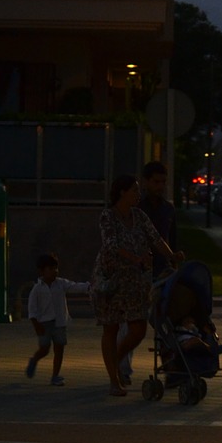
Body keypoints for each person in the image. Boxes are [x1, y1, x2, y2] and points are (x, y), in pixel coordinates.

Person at [92, 173, 183, 396]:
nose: (137, 194)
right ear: (122, 192)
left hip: (136, 281)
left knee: (138, 329)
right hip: (112, 279)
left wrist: (171, 256)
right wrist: (137, 259)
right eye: (134, 190)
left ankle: (117, 359)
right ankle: (114, 380)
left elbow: (156, 238)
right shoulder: (108, 216)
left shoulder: (139, 216)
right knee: (111, 328)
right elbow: (112, 245)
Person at [118, 160, 178, 385]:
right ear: (145, 182)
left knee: (164, 321)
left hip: (162, 271)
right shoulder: (135, 208)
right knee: (131, 323)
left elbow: (170, 239)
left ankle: (171, 367)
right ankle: (122, 368)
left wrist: (174, 263)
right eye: (156, 181)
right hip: (136, 271)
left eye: (163, 182)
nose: (160, 186)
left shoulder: (167, 209)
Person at [25, 253, 89, 386]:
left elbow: (74, 286)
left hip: (60, 322)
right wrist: (36, 324)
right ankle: (35, 359)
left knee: (59, 349)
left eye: (56, 268)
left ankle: (55, 375)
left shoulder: (61, 284)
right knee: (44, 348)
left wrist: (88, 286)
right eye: (51, 269)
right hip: (44, 323)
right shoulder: (37, 289)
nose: (54, 271)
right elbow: (32, 309)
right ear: (42, 271)